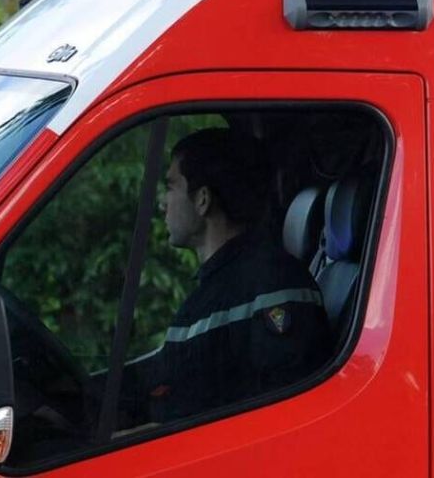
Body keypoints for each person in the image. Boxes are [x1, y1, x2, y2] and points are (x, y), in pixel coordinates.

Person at [122, 128, 331, 425]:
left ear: (203, 199)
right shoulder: (224, 287)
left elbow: (282, 419)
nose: (162, 204)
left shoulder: (270, 287)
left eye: (170, 188)